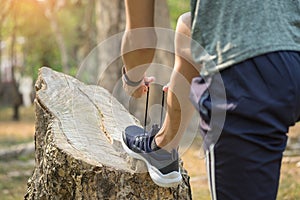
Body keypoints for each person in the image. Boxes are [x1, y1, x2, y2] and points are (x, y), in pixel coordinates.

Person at [121, 0, 300, 199]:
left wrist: (132, 78)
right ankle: (163, 147)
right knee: (187, 27)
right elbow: (194, 28)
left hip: (248, 75)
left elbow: (141, 40)